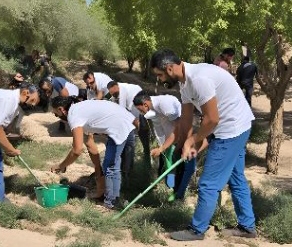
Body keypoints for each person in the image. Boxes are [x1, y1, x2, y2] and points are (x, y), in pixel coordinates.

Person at [149, 47, 259, 241]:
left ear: (169, 68)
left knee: (208, 183)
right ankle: (247, 227)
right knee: (236, 179)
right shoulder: (185, 83)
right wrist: (181, 146)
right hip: (237, 126)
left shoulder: (199, 79)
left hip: (230, 130)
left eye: (159, 75)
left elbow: (212, 120)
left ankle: (196, 230)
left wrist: (193, 141)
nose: (160, 80)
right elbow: (185, 119)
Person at [51, 95, 138, 211]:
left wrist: (61, 166)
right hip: (128, 123)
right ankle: (123, 195)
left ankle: (112, 203)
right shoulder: (81, 111)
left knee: (110, 166)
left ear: (61, 109)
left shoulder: (73, 115)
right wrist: (98, 169)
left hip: (119, 128)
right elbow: (90, 145)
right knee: (121, 167)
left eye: (56, 114)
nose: (58, 117)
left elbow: (77, 150)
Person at [132, 91, 197, 201]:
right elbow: (159, 129)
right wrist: (161, 145)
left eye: (140, 110)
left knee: (185, 167)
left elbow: (178, 129)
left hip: (184, 138)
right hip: (171, 140)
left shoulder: (165, 104)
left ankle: (181, 195)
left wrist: (163, 147)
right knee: (170, 165)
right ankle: (173, 190)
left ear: (145, 104)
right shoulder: (152, 110)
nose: (141, 113)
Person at [105, 79, 144, 187]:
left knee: (129, 139)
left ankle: (127, 173)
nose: (115, 95)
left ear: (117, 86)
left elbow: (121, 110)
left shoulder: (123, 91)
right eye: (113, 94)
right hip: (130, 107)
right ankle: (124, 170)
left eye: (116, 93)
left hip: (137, 101)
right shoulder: (116, 93)